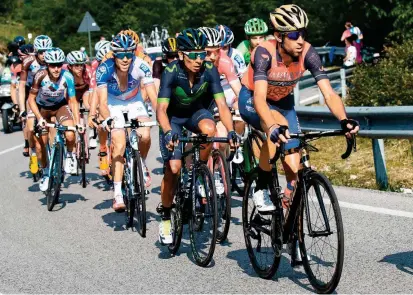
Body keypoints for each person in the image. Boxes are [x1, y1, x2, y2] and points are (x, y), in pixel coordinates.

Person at [239, 4, 359, 214]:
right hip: (252, 99)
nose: (300, 40)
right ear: (278, 36)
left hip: (284, 103)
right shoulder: (263, 53)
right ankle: (260, 187)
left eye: (303, 33)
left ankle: (288, 220)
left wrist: (343, 120)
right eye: (294, 34)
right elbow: (259, 98)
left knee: (294, 167)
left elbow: (329, 93)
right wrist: (273, 125)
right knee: (275, 131)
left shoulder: (308, 53)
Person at [156, 28, 238, 244]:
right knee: (173, 169)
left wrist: (230, 131)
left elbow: (221, 104)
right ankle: (165, 215)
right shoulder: (171, 71)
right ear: (182, 54)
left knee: (210, 130)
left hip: (196, 114)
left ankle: (199, 171)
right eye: (193, 55)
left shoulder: (210, 70)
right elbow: (161, 110)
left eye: (201, 54)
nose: (198, 59)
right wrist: (167, 132)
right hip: (173, 118)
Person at [96, 33, 157, 211]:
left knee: (145, 134)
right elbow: (102, 102)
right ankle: (117, 193)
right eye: (120, 55)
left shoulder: (142, 66)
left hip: (134, 101)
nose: (125, 59)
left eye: (129, 54)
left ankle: (142, 163)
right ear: (113, 55)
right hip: (113, 104)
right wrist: (107, 118)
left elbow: (153, 97)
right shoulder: (104, 69)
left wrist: (162, 115)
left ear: (134, 53)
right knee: (119, 143)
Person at [27, 47, 82, 191]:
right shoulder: (40, 76)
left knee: (70, 133)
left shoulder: (68, 76)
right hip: (42, 109)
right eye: (53, 65)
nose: (56, 69)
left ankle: (70, 155)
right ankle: (45, 173)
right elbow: (31, 100)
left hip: (59, 107)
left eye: (59, 64)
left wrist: (77, 122)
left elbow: (73, 100)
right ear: (47, 65)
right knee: (40, 145)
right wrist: (39, 118)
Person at [19, 35, 53, 177]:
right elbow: (21, 86)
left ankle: (55, 154)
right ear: (36, 51)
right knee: (31, 127)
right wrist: (22, 109)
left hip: (49, 95)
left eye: (47, 51)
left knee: (53, 127)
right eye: (41, 52)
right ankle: (33, 152)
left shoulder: (54, 61)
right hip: (32, 93)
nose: (44, 55)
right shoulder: (28, 62)